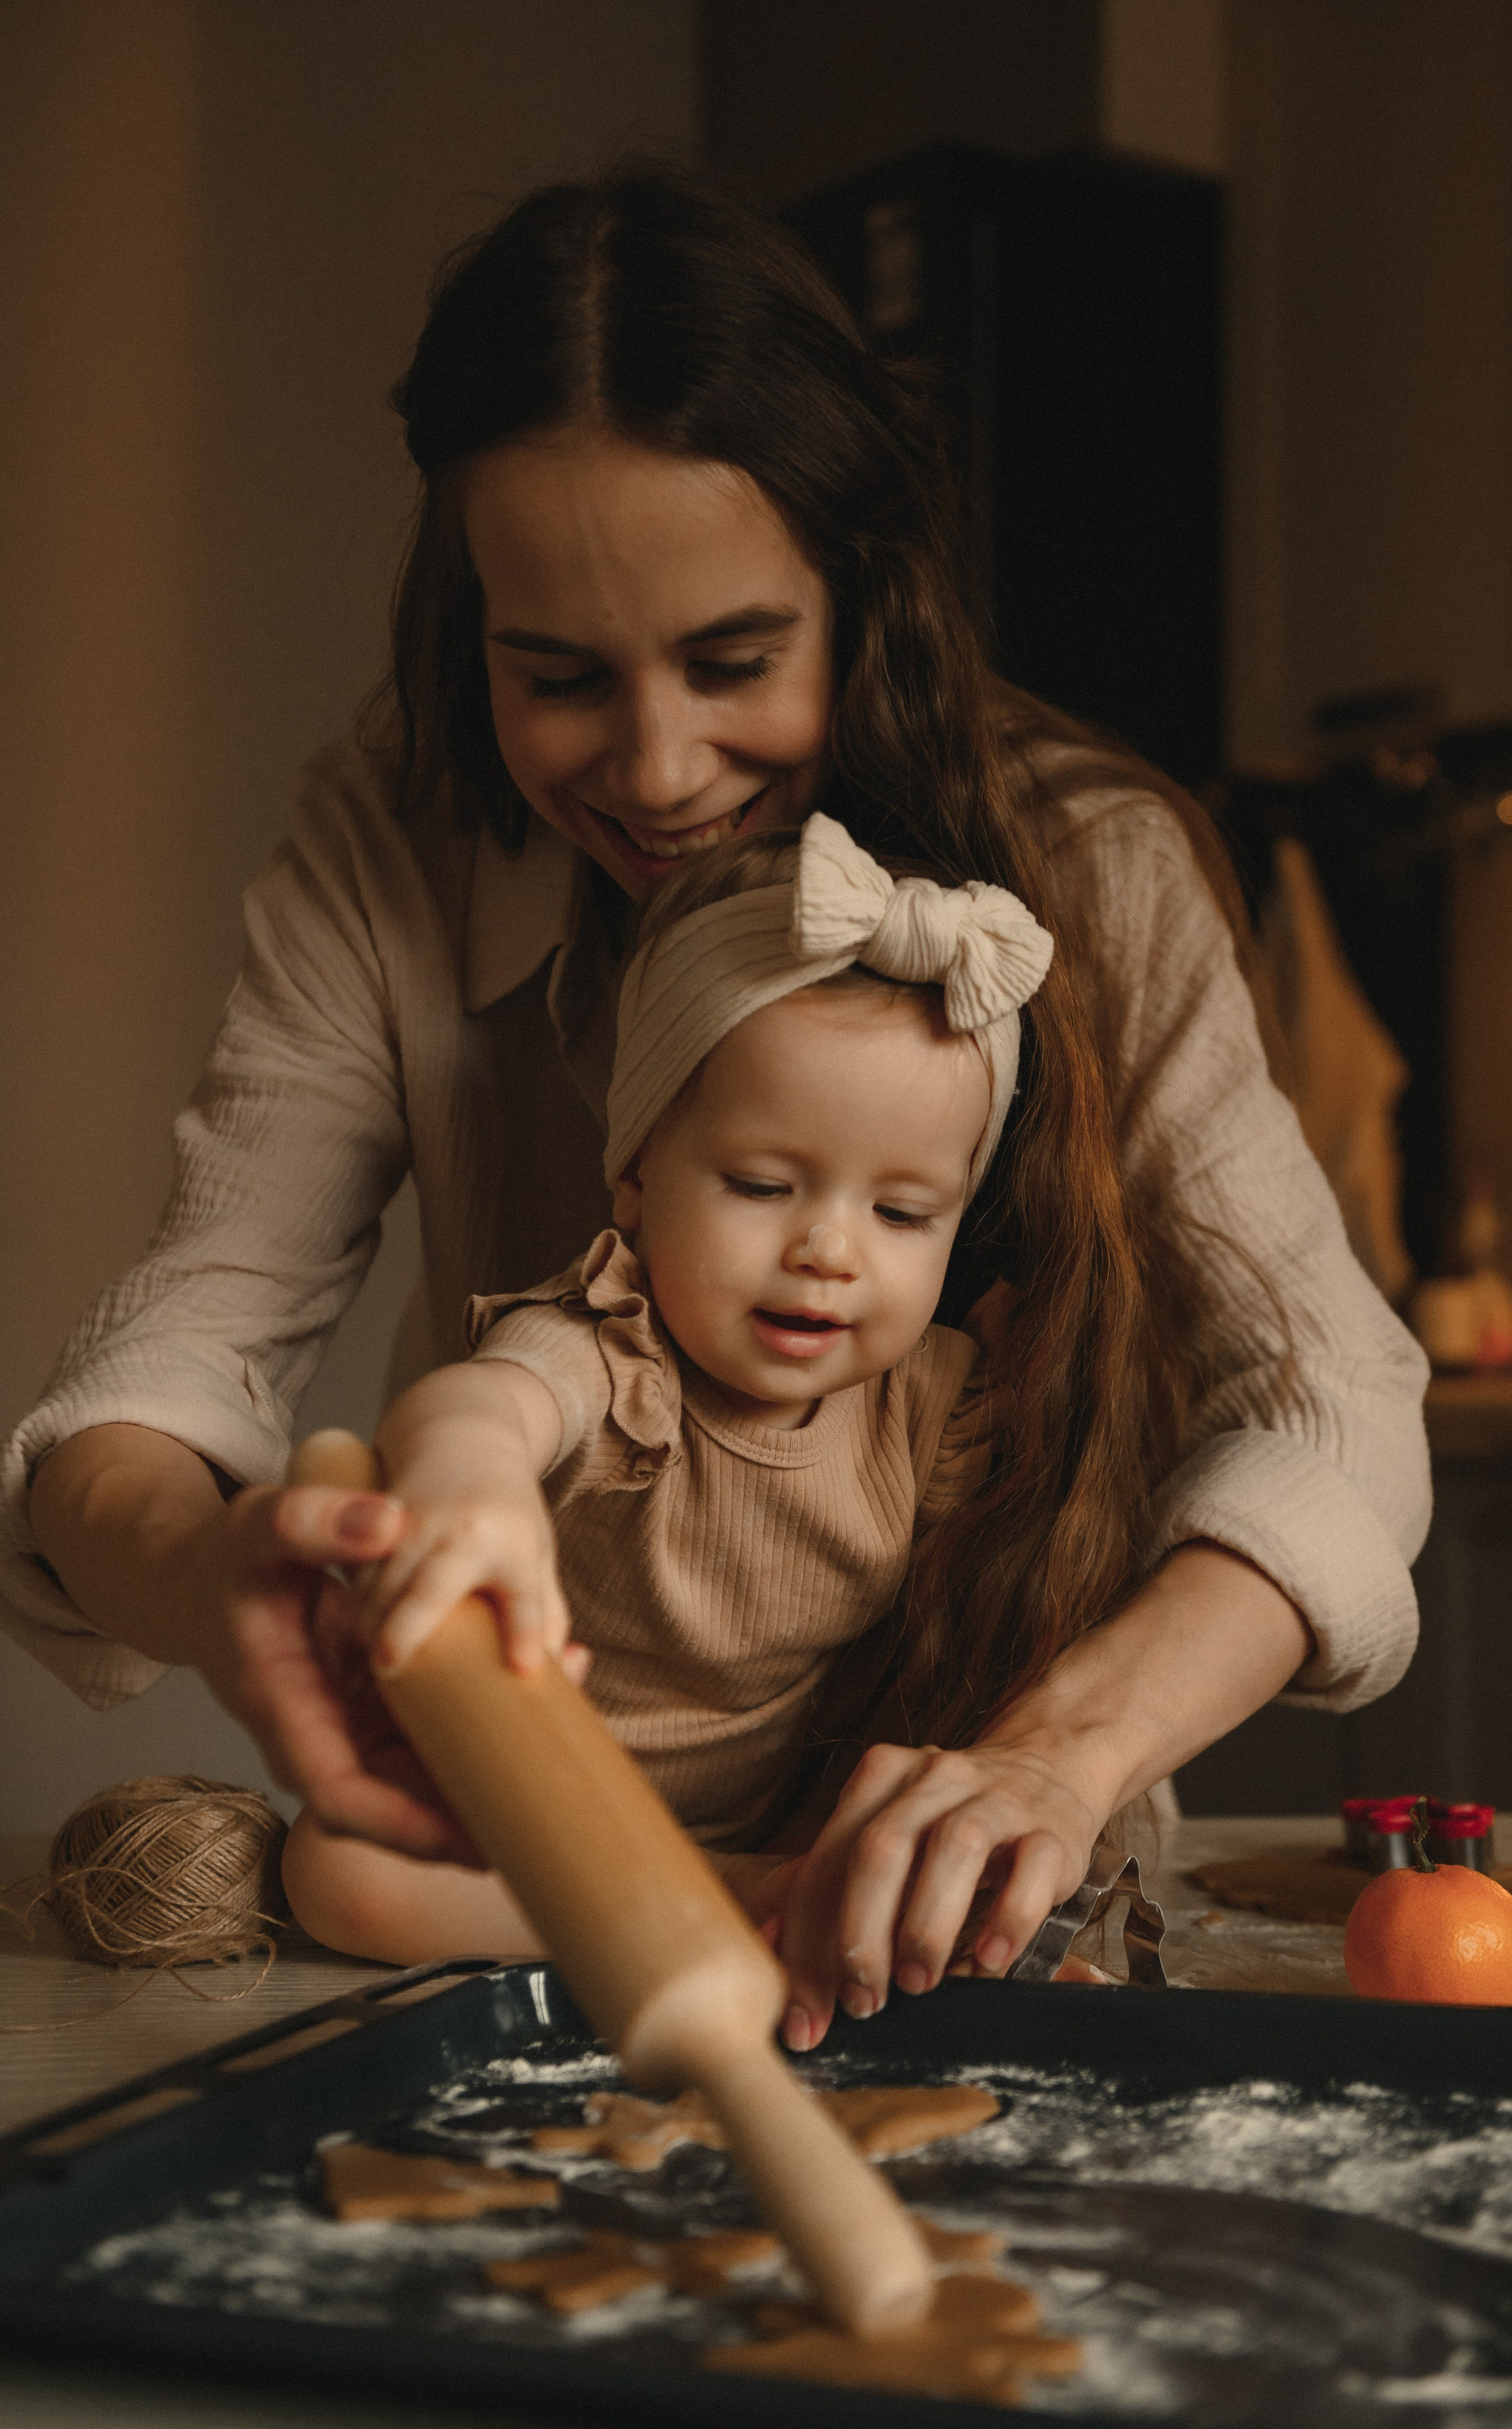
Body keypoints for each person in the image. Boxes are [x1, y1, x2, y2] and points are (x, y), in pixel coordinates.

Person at [8, 170, 1429, 2052]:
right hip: (557, 1900)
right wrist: (213, 1569)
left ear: (868, 585)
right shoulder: (394, 845)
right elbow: (185, 1359)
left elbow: (1334, 1414)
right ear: (469, 614)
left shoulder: (1089, 864)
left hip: (981, 1918)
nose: (663, 769)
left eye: (738, 661)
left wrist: (1047, 1766)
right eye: (562, 677)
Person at [282, 812, 1051, 2005]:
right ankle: (728, 1907)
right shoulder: (613, 1345)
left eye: (903, 1216)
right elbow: (482, 1407)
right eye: (761, 1185)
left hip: (777, 1808)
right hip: (528, 1822)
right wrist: (468, 1475)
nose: (829, 1251)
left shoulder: (932, 1406)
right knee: (339, 1873)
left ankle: (756, 1888)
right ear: (637, 1173)